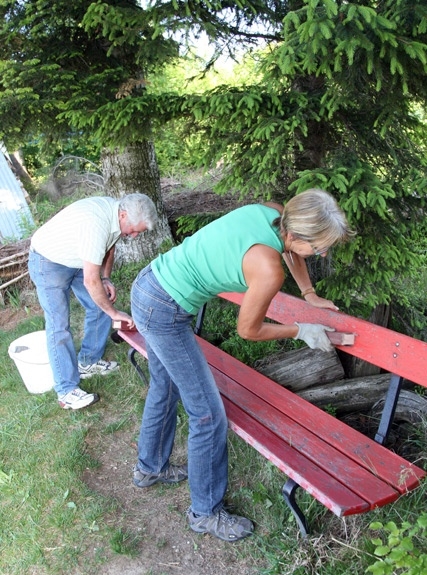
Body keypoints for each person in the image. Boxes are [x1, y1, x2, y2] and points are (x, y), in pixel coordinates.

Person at [130, 189, 354, 542]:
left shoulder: (273, 213)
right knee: (208, 415)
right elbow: (248, 330)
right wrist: (301, 330)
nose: (322, 254)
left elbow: (290, 250)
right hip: (165, 312)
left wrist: (308, 293)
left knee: (165, 384)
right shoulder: (267, 268)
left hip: (149, 287)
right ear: (297, 234)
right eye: (319, 248)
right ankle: (205, 513)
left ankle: (150, 468)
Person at [29, 193, 158, 410]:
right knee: (59, 326)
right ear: (124, 215)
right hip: (48, 261)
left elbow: (110, 248)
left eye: (139, 232)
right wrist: (114, 313)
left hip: (75, 258)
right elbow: (90, 280)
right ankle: (66, 391)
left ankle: (88, 361)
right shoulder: (96, 223)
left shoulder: (117, 217)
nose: (135, 236)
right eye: (135, 230)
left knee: (101, 304)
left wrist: (105, 279)